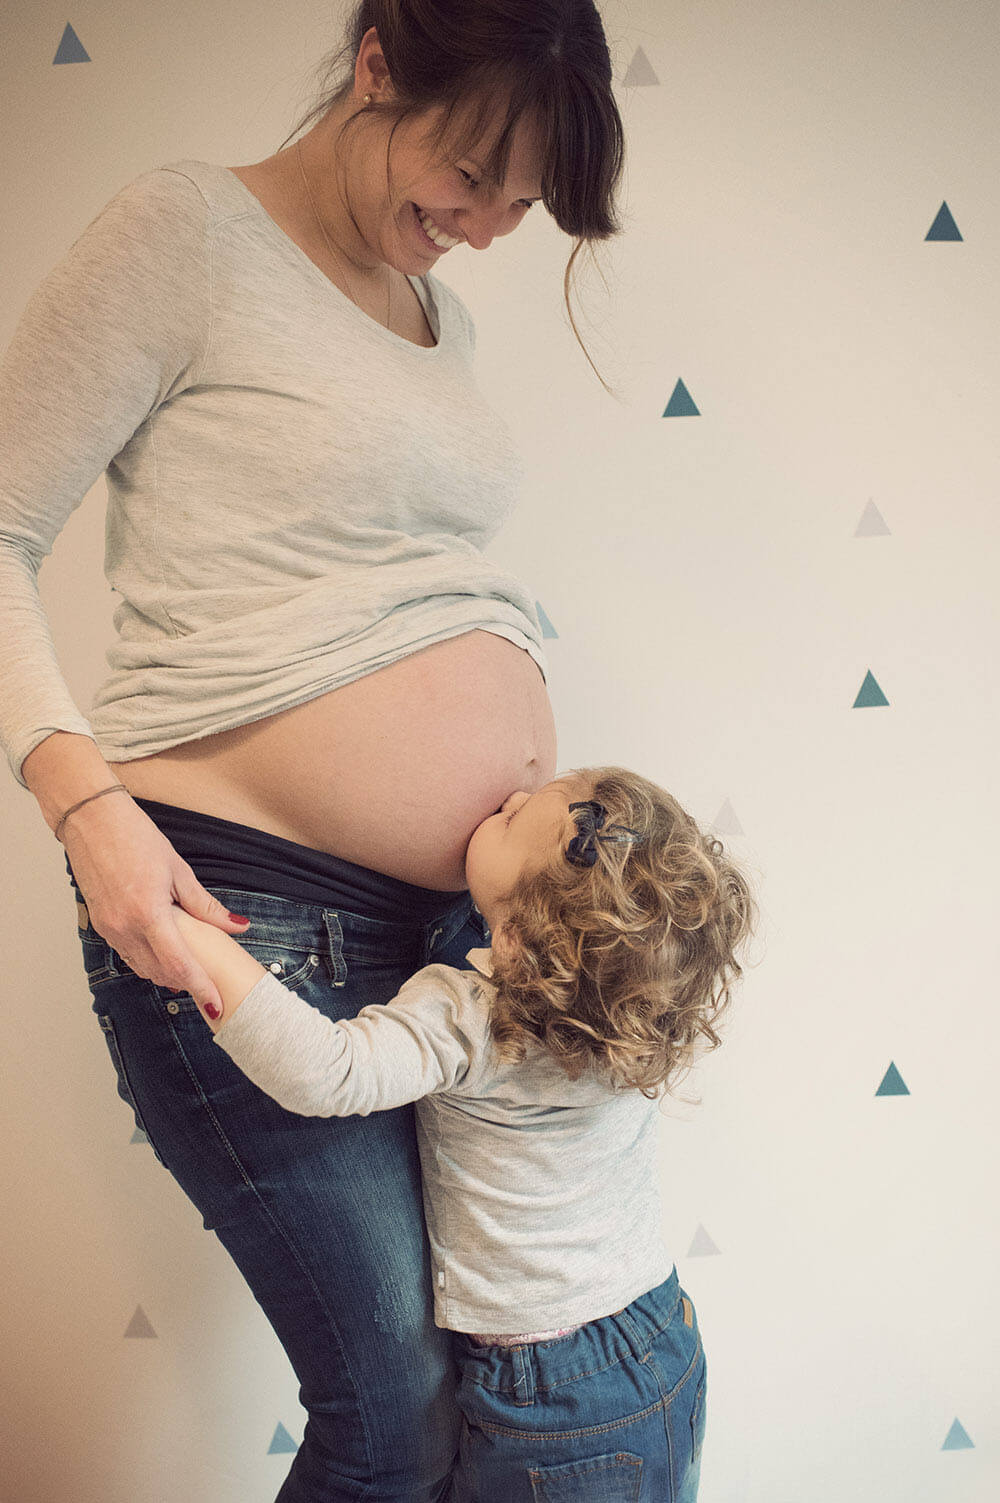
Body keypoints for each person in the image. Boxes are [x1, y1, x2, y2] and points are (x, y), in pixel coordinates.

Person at [0, 3, 628, 1498]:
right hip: (244, 911)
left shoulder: (441, 319)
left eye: (519, 203)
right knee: (389, 1410)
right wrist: (82, 803)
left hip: (464, 931)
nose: (482, 226)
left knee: (509, 1369)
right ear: (377, 67)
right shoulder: (187, 233)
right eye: (469, 173)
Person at [161, 764, 756, 1502]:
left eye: (513, 820)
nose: (507, 799)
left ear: (513, 940)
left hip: (552, 1395)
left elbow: (328, 1070)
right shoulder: (624, 1016)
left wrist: (180, 932)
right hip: (660, 1333)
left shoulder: (475, 1014)